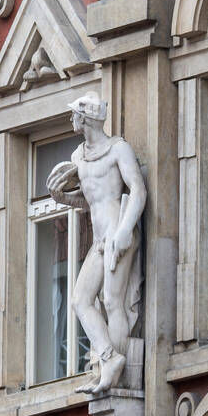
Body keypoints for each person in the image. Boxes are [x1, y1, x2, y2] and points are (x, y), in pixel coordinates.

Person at [46, 94, 147, 394]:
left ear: (86, 118)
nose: (71, 119)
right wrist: (60, 197)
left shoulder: (118, 149)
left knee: (113, 301)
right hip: (99, 237)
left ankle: (116, 373)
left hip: (118, 231)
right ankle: (109, 357)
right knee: (80, 300)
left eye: (74, 114)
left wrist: (126, 230)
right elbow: (89, 200)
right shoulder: (79, 157)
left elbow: (138, 190)